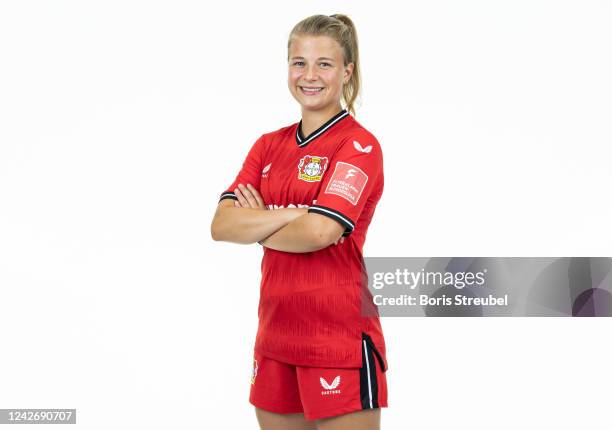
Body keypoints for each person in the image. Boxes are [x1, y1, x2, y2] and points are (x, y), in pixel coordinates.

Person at [211, 14, 388, 430]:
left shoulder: (358, 145)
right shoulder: (267, 145)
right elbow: (221, 225)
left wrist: (260, 220)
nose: (310, 75)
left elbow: (322, 232)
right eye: (299, 62)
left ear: (347, 71)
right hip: (275, 338)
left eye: (324, 63)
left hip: (337, 340)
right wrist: (295, 213)